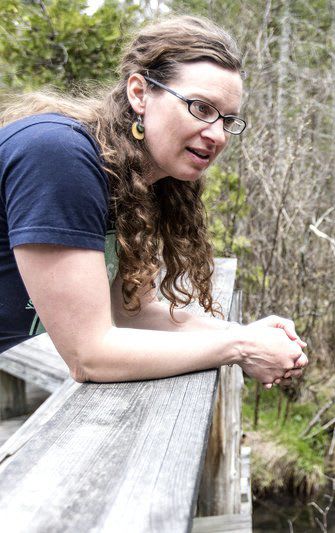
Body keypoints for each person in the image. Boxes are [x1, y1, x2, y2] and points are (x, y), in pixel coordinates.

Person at [0, 15, 306, 388]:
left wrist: (248, 334)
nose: (218, 135)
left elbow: (132, 313)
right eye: (200, 108)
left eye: (228, 120)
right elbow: (90, 355)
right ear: (140, 93)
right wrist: (238, 347)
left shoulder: (133, 180)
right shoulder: (57, 156)